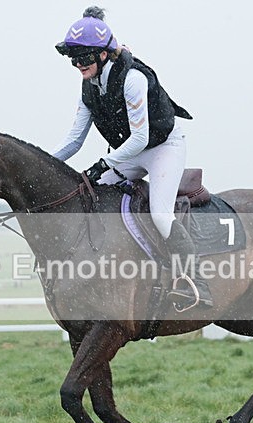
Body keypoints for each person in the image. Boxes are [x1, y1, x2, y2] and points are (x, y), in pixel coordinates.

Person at [52, 6, 213, 308]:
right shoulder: (89, 87)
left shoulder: (133, 79)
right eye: (73, 59)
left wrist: (105, 163)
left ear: (103, 54)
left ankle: (197, 285)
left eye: (84, 58)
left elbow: (140, 138)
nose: (78, 65)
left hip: (163, 148)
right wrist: (45, 164)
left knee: (160, 215)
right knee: (93, 197)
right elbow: (74, 141)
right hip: (131, 154)